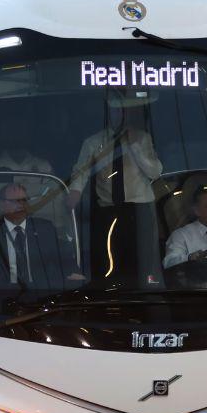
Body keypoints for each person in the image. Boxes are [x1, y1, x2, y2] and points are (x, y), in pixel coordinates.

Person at [69, 98, 163, 285]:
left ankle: (140, 295)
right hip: (108, 208)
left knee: (140, 259)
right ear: (108, 114)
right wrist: (75, 192)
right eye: (114, 111)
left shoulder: (143, 138)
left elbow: (155, 171)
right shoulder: (94, 142)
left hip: (139, 208)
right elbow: (81, 171)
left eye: (122, 111)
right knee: (108, 259)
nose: (119, 115)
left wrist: (135, 146)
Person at [0, 183, 82, 290]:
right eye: (14, 201)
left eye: (24, 200)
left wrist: (74, 272)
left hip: (40, 292)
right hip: (2, 292)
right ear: (1, 205)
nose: (20, 205)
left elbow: (63, 255)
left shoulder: (45, 228)